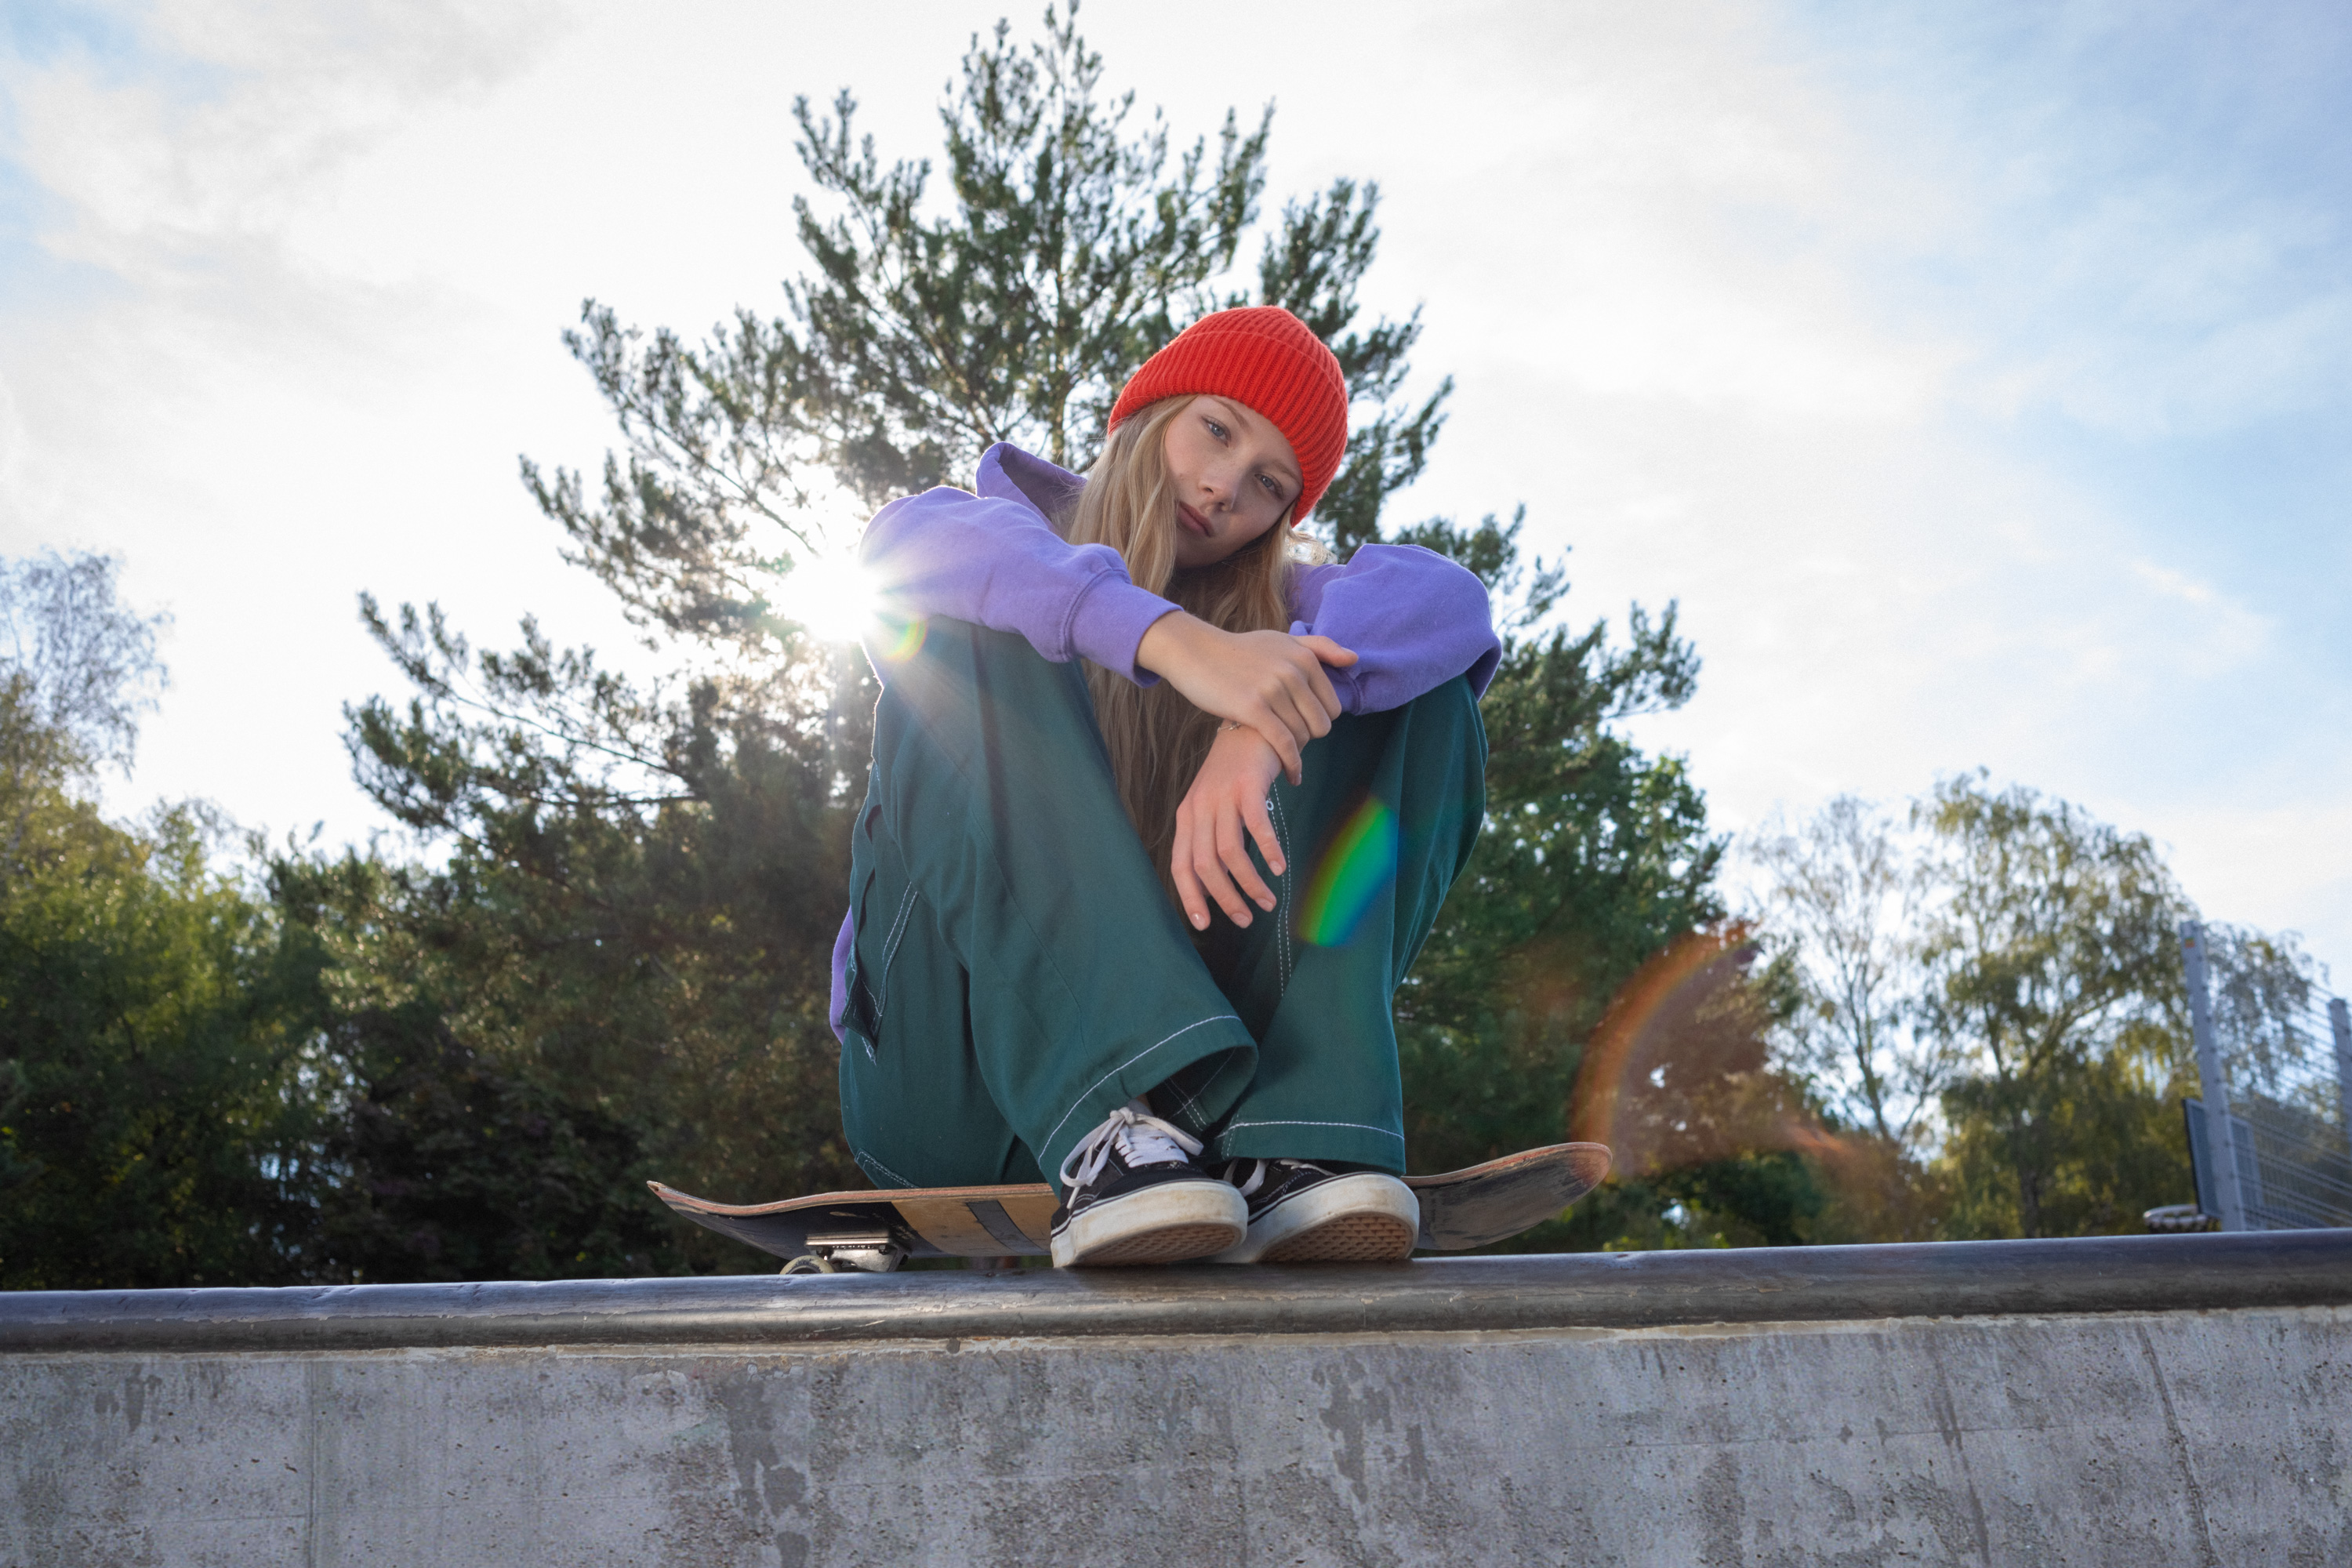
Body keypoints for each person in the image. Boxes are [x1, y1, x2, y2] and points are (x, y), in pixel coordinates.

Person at [831, 305, 1500, 1267]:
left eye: (1270, 483)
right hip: (955, 1077)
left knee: (1419, 692)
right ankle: (1108, 1113)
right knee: (957, 630)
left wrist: (1255, 727)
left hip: (1193, 1123)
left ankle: (1299, 1142)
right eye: (1216, 429)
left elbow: (1450, 603)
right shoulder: (996, 533)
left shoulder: (1276, 611)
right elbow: (906, 548)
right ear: (1149, 412)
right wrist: (1172, 643)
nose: (1226, 486)